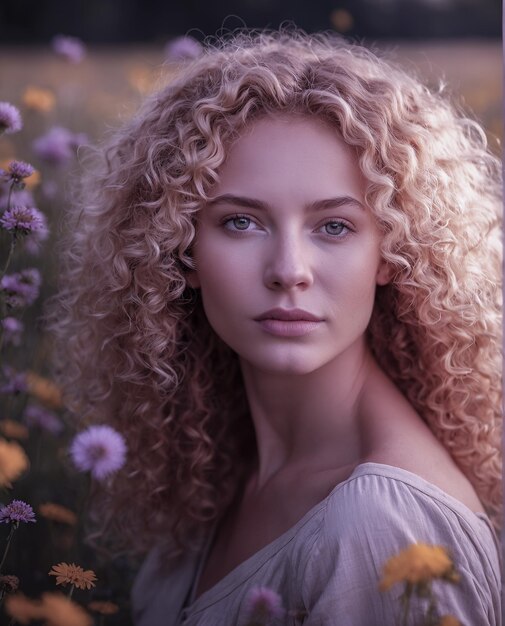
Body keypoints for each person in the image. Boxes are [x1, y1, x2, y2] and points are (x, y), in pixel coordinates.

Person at [48, 28, 502, 625]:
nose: (289, 272)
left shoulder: (384, 524)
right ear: (178, 251)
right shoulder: (218, 474)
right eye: (241, 222)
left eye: (334, 226)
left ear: (394, 255)